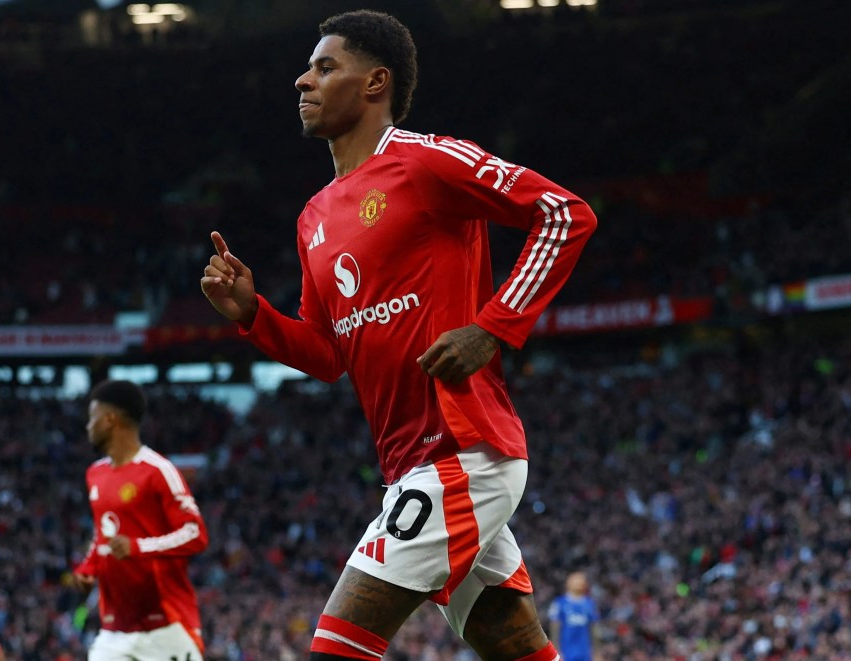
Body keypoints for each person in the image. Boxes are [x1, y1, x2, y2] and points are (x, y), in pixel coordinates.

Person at [201, 9, 597, 661]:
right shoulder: (313, 220)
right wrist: (253, 315)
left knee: (336, 646)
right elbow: (329, 354)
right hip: (408, 464)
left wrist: (491, 328)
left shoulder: (424, 161)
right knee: (518, 648)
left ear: (375, 82)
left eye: (326, 67)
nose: (303, 80)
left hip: (462, 450)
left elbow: (565, 214)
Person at [71, 379, 209, 661]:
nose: (88, 427)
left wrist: (138, 547)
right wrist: (89, 566)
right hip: (115, 631)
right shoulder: (94, 474)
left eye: (92, 418)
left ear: (110, 420)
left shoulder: (158, 471)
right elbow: (102, 534)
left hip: (167, 626)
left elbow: (195, 533)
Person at [548, 572, 600, 661]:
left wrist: (597, 652)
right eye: (576, 581)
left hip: (585, 652)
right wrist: (555, 650)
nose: (579, 583)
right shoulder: (559, 603)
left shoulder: (590, 604)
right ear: (568, 584)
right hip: (565, 651)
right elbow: (554, 628)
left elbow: (594, 629)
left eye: (581, 581)